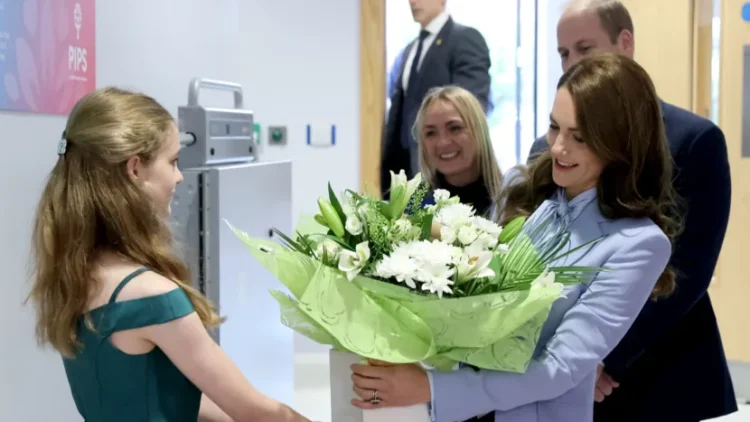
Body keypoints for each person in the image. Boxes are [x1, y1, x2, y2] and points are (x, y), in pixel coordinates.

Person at [350, 53, 679, 422]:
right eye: (555, 127)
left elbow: (558, 369)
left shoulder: (638, 244)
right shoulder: (537, 198)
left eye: (579, 137)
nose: (557, 148)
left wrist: (430, 387)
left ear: (620, 144)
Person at [26, 87, 310, 422]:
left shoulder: (72, 274)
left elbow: (156, 395)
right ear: (135, 169)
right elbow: (257, 413)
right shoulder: (153, 299)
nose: (178, 177)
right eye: (173, 162)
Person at [527, 1, 735, 420]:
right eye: (563, 54)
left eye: (584, 49)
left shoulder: (695, 141)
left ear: (625, 43)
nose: (572, 64)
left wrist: (604, 358)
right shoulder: (548, 151)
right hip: (571, 381)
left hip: (664, 372)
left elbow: (686, 271)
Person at [381, 0, 491, 198]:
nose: (413, 2)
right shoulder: (409, 51)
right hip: (408, 178)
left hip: (450, 182)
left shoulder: (464, 39)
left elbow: (472, 108)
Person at [415, 85, 503, 217]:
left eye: (455, 128)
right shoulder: (416, 204)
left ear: (479, 131)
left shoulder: (511, 202)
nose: (443, 142)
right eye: (431, 133)